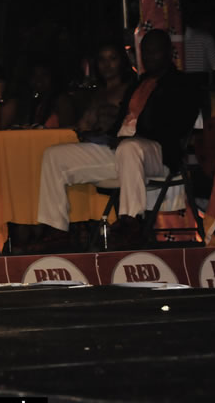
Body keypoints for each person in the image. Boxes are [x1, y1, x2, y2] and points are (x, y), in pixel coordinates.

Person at [37, 29, 200, 248]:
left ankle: (130, 223)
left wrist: (136, 136)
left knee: (130, 147)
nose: (150, 57)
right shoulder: (138, 84)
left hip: (157, 152)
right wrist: (100, 136)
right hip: (122, 150)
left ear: (168, 52)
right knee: (54, 155)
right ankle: (56, 228)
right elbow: (121, 124)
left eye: (155, 52)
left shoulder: (182, 84)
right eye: (146, 52)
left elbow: (175, 127)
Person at [76, 41, 135, 138]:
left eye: (112, 58)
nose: (106, 65)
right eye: (101, 59)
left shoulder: (129, 90)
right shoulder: (96, 93)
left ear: (122, 61)